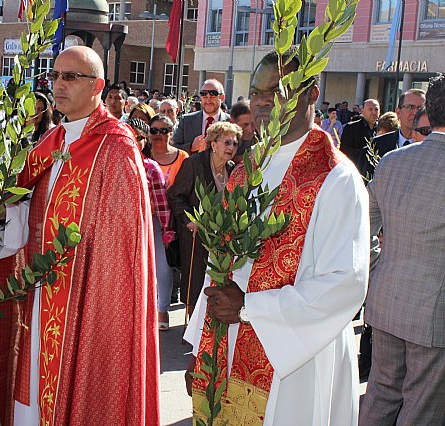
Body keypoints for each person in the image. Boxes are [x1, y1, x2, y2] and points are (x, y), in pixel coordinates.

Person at [184, 48, 369, 425]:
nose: (263, 102)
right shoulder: (248, 169)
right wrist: (201, 348)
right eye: (256, 92)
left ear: (311, 94)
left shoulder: (336, 178)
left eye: (277, 90)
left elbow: (345, 284)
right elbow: (221, 263)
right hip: (230, 342)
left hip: (297, 359)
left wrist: (251, 309)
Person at [0, 46, 160, 425]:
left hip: (87, 294)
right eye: (55, 76)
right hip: (41, 289)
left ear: (97, 85)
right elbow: (31, 211)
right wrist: (2, 210)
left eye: (70, 77)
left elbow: (120, 242)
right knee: (32, 387)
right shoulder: (51, 142)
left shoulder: (117, 146)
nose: (58, 85)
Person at [359, 74, 445, 426]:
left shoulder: (393, 161)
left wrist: (380, 269)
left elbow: (360, 232)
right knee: (421, 409)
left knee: (381, 394)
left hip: (386, 300)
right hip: (433, 312)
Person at [168, 122, 239, 317]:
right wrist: (189, 220)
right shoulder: (194, 163)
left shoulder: (233, 169)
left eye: (234, 143)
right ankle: (192, 324)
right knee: (195, 278)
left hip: (222, 236)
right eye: (226, 142)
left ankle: (211, 323)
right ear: (213, 144)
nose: (231, 148)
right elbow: (176, 196)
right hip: (195, 231)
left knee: (217, 278)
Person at [129, 117, 175, 331]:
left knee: (161, 268)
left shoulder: (151, 167)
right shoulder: (113, 163)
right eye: (131, 136)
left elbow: (161, 201)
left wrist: (166, 230)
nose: (136, 141)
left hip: (149, 223)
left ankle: (162, 309)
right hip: (122, 226)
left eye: (140, 138)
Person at [358, 89, 425, 176]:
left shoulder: (432, 148)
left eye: (420, 108)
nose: (415, 112)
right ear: (398, 112)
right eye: (410, 107)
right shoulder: (376, 146)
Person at [174, 79, 231, 154]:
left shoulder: (231, 122)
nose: (208, 100)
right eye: (204, 95)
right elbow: (174, 148)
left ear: (222, 98)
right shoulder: (186, 120)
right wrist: (191, 147)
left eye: (213, 94)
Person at [340, 99, 380, 164]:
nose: (374, 112)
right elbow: (345, 150)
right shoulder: (351, 127)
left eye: (376, 109)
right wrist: (367, 154)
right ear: (362, 111)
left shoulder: (381, 128)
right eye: (370, 109)